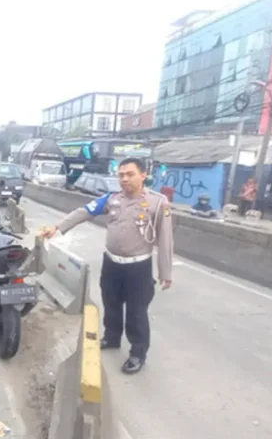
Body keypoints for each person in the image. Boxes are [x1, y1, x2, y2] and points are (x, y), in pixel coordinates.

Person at [39, 158, 173, 374]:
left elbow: (166, 239)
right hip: (112, 263)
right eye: (121, 175)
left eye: (129, 174)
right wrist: (57, 228)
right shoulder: (112, 199)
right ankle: (112, 337)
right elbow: (84, 211)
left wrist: (166, 272)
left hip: (138, 267)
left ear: (143, 175)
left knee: (137, 312)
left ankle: (138, 353)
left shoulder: (158, 203)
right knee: (111, 303)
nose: (124, 179)